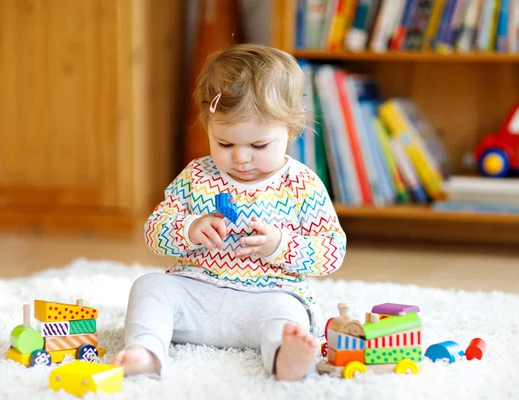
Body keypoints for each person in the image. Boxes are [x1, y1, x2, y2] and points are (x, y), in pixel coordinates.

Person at [112, 43, 346, 381]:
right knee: (149, 287)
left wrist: (281, 244)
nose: (240, 157)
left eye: (258, 145)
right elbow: (154, 230)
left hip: (267, 297)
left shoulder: (302, 185)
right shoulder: (196, 176)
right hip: (197, 293)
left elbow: (332, 251)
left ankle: (285, 359)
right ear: (208, 125)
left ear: (291, 129)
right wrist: (189, 228)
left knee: (288, 315)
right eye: (224, 143)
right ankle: (145, 352)